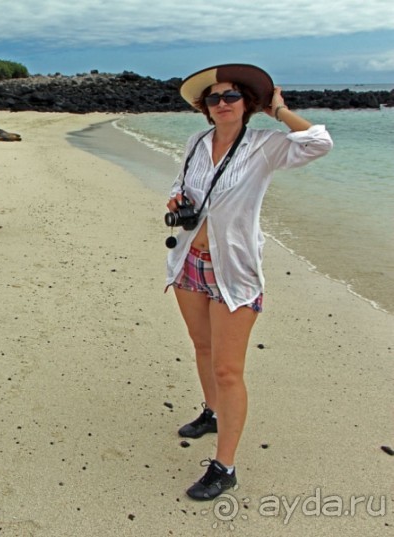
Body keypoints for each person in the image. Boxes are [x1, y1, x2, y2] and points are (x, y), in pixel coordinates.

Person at [164, 64, 333, 501]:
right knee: (202, 347)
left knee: (227, 368)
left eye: (231, 96)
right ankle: (212, 413)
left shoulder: (264, 146)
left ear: (247, 103)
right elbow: (181, 184)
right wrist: (176, 200)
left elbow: (319, 142)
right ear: (205, 106)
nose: (222, 103)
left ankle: (225, 467)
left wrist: (280, 111)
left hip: (234, 270)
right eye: (214, 98)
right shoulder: (196, 142)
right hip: (189, 261)